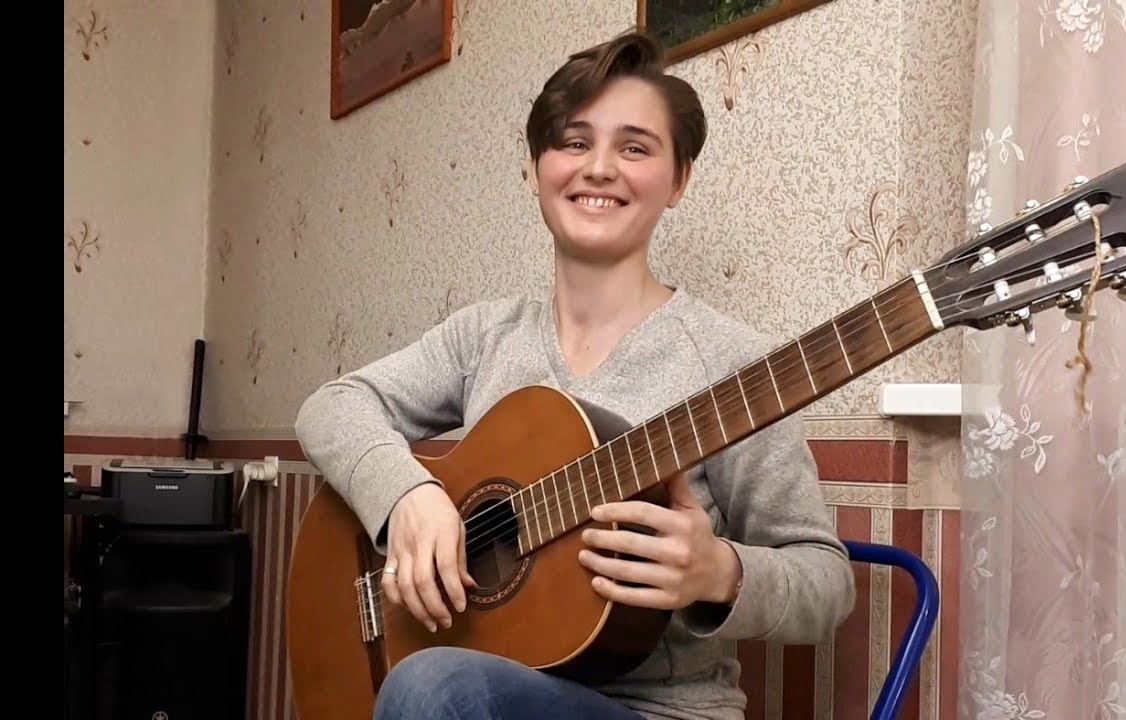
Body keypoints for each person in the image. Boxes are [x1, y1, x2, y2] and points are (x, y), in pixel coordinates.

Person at [294, 29, 856, 720]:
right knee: (436, 686)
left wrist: (720, 571)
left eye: (635, 148)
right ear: (534, 171)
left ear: (679, 180)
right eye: (573, 141)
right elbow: (333, 406)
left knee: (434, 688)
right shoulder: (485, 336)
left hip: (659, 713)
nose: (599, 168)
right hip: (479, 688)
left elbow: (827, 583)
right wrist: (408, 497)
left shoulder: (735, 366)